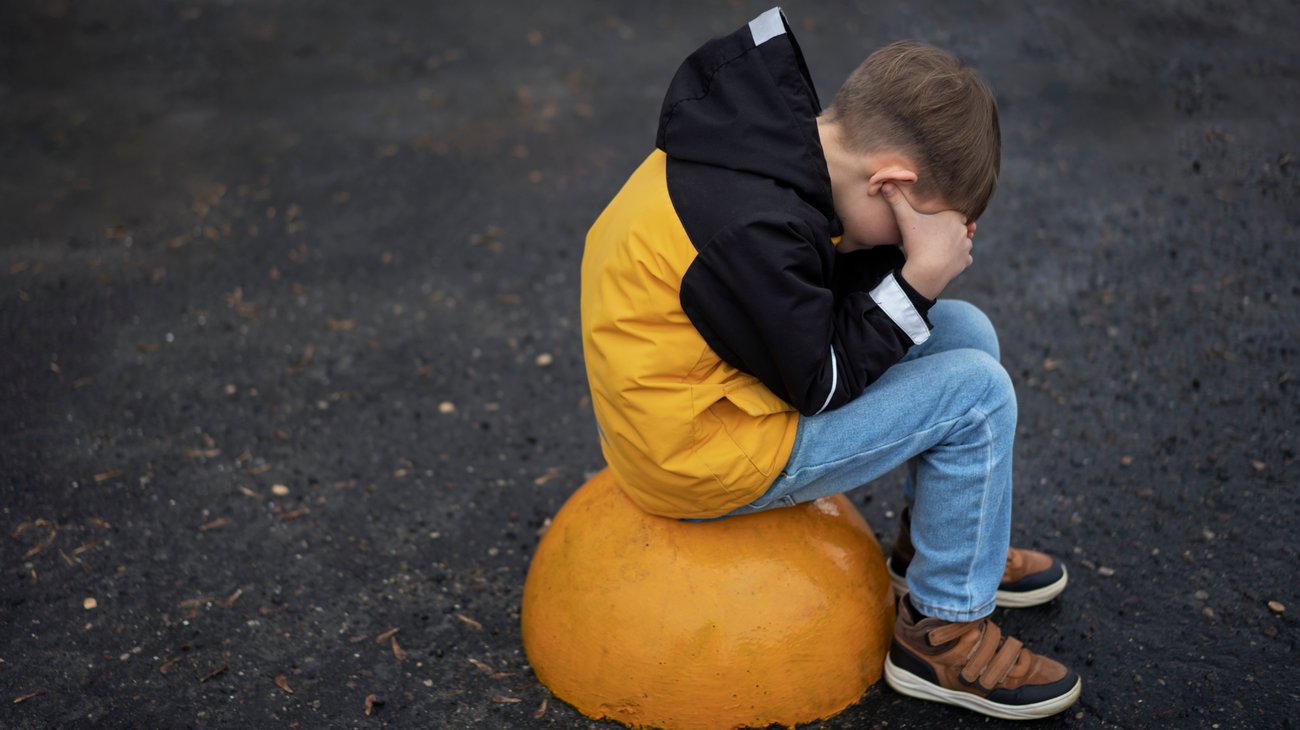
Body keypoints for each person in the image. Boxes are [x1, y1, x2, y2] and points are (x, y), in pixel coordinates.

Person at [579, 7, 1080, 720]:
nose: (909, 244)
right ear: (889, 184)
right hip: (695, 451)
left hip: (722, 384)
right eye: (912, 221)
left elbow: (809, 296)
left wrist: (913, 273)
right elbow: (823, 381)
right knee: (977, 395)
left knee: (965, 329)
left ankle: (941, 553)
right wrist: (915, 278)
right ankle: (940, 637)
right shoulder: (754, 228)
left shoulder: (776, 148)